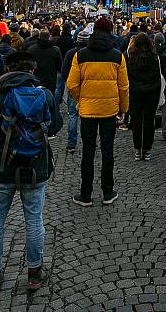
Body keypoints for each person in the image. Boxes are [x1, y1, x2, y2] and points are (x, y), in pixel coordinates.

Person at [0, 51, 61, 296]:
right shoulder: (44, 94)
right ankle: (34, 272)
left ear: (8, 69)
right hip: (35, 166)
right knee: (34, 220)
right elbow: (55, 125)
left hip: (2, 167)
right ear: (32, 70)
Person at [66, 18, 128, 206]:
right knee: (108, 152)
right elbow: (124, 87)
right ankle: (108, 192)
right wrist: (123, 109)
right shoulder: (118, 56)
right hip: (109, 111)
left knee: (88, 152)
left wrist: (80, 99)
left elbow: (71, 84)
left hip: (87, 111)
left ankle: (86, 195)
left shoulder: (81, 55)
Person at [126, 32, 162, 161]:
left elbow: (128, 77)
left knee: (136, 122)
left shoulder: (130, 56)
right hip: (151, 92)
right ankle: (147, 149)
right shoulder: (154, 57)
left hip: (135, 93)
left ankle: (137, 149)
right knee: (149, 122)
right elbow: (158, 76)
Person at [61, 27, 89, 153]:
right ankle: (88, 142)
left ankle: (71, 144)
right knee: (86, 116)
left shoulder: (71, 53)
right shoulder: (90, 54)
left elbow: (64, 71)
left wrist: (68, 81)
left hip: (73, 87)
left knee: (73, 115)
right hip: (87, 87)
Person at [25, 29, 63, 98]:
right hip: (50, 79)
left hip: (35, 79)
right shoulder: (55, 50)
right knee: (50, 99)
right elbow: (60, 66)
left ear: (39, 37)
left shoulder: (31, 49)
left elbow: (27, 65)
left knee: (36, 99)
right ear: (49, 37)